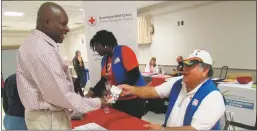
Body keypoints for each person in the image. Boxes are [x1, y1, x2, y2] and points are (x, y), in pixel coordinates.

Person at [16, 2, 107, 130]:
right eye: (63, 24)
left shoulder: (33, 44)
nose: (68, 28)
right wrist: (97, 102)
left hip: (44, 117)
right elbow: (62, 96)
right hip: (50, 120)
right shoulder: (43, 51)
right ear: (47, 22)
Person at [119, 49, 226, 130]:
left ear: (205, 71)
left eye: (190, 67)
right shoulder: (178, 82)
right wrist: (131, 89)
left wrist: (162, 129)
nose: (184, 69)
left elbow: (194, 129)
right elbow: (154, 91)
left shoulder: (213, 97)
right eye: (184, 65)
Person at [85, 30, 146, 118]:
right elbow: (104, 81)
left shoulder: (124, 51)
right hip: (118, 99)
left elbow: (133, 76)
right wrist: (88, 95)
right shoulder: (104, 60)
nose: (95, 50)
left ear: (104, 43)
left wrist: (113, 95)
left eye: (96, 46)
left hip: (134, 99)